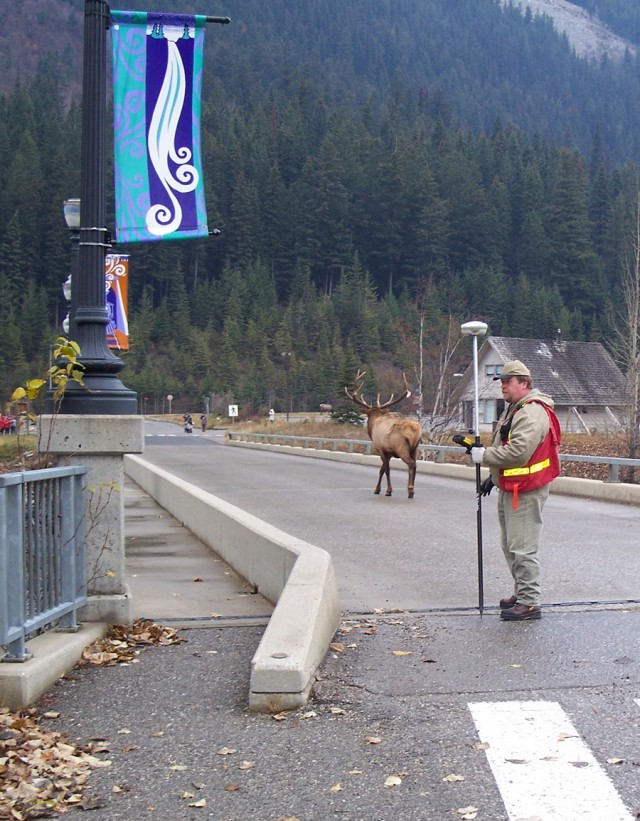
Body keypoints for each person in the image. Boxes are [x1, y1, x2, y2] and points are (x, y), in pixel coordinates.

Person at [471, 360, 561, 621]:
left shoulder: (531, 413)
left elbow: (519, 453)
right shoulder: (515, 408)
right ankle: (522, 593)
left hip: (526, 489)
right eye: (501, 381)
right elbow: (509, 445)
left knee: (522, 547)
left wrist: (484, 456)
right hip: (512, 486)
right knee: (510, 545)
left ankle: (530, 603)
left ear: (524, 383)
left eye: (508, 381)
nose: (503, 386)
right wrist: (493, 477)